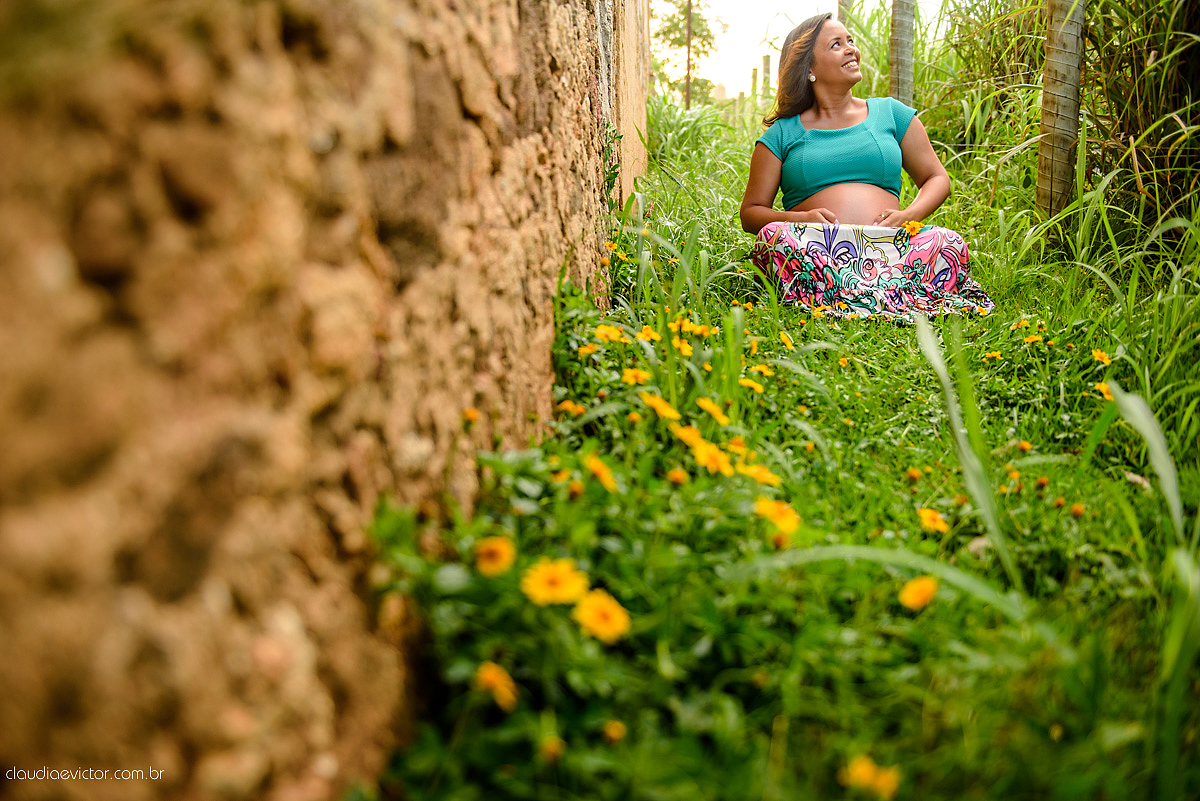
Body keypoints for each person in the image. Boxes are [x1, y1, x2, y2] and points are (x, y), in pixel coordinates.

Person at [739, 13, 993, 319]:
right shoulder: (781, 134)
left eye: (850, 41)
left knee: (947, 242)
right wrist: (801, 218)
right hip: (818, 249)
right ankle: (889, 294)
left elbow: (937, 177)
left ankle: (847, 296)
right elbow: (752, 213)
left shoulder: (891, 113)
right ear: (809, 67)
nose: (851, 49)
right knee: (776, 239)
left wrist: (909, 215)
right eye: (836, 44)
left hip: (894, 248)